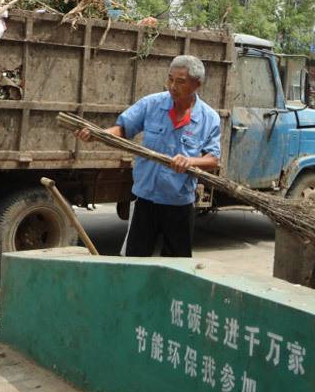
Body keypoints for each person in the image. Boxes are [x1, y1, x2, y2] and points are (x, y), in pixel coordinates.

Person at [76, 55, 221, 257]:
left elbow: (213, 159)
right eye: (170, 79)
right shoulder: (152, 104)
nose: (172, 86)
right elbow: (123, 129)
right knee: (135, 263)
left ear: (197, 85)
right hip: (146, 200)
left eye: (180, 81)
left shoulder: (209, 118)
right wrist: (98, 135)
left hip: (179, 204)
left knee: (177, 268)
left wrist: (190, 161)